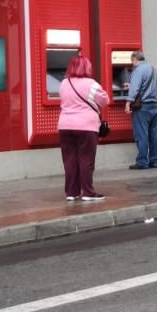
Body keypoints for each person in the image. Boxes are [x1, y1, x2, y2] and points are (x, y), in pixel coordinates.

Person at [58, 55, 109, 202]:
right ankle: (88, 192)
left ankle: (71, 193)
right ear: (87, 67)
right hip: (86, 126)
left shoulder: (63, 83)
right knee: (86, 160)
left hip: (65, 125)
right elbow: (105, 100)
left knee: (69, 160)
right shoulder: (91, 84)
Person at [123, 50, 157, 170]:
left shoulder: (138, 70)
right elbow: (148, 86)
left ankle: (142, 162)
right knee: (154, 135)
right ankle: (155, 161)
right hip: (154, 106)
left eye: (132, 61)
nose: (132, 64)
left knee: (141, 135)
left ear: (135, 59)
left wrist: (128, 103)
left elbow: (135, 89)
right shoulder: (154, 70)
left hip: (142, 107)